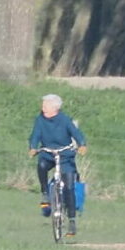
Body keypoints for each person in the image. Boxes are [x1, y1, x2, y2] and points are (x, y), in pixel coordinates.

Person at [29, 93, 87, 229]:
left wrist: (82, 144)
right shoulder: (40, 120)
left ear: (55, 108)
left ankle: (72, 219)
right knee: (42, 165)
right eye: (43, 106)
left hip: (65, 155)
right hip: (48, 153)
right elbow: (35, 135)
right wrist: (32, 147)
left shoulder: (65, 120)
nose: (43, 108)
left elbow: (76, 133)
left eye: (46, 106)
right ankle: (45, 193)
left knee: (69, 187)